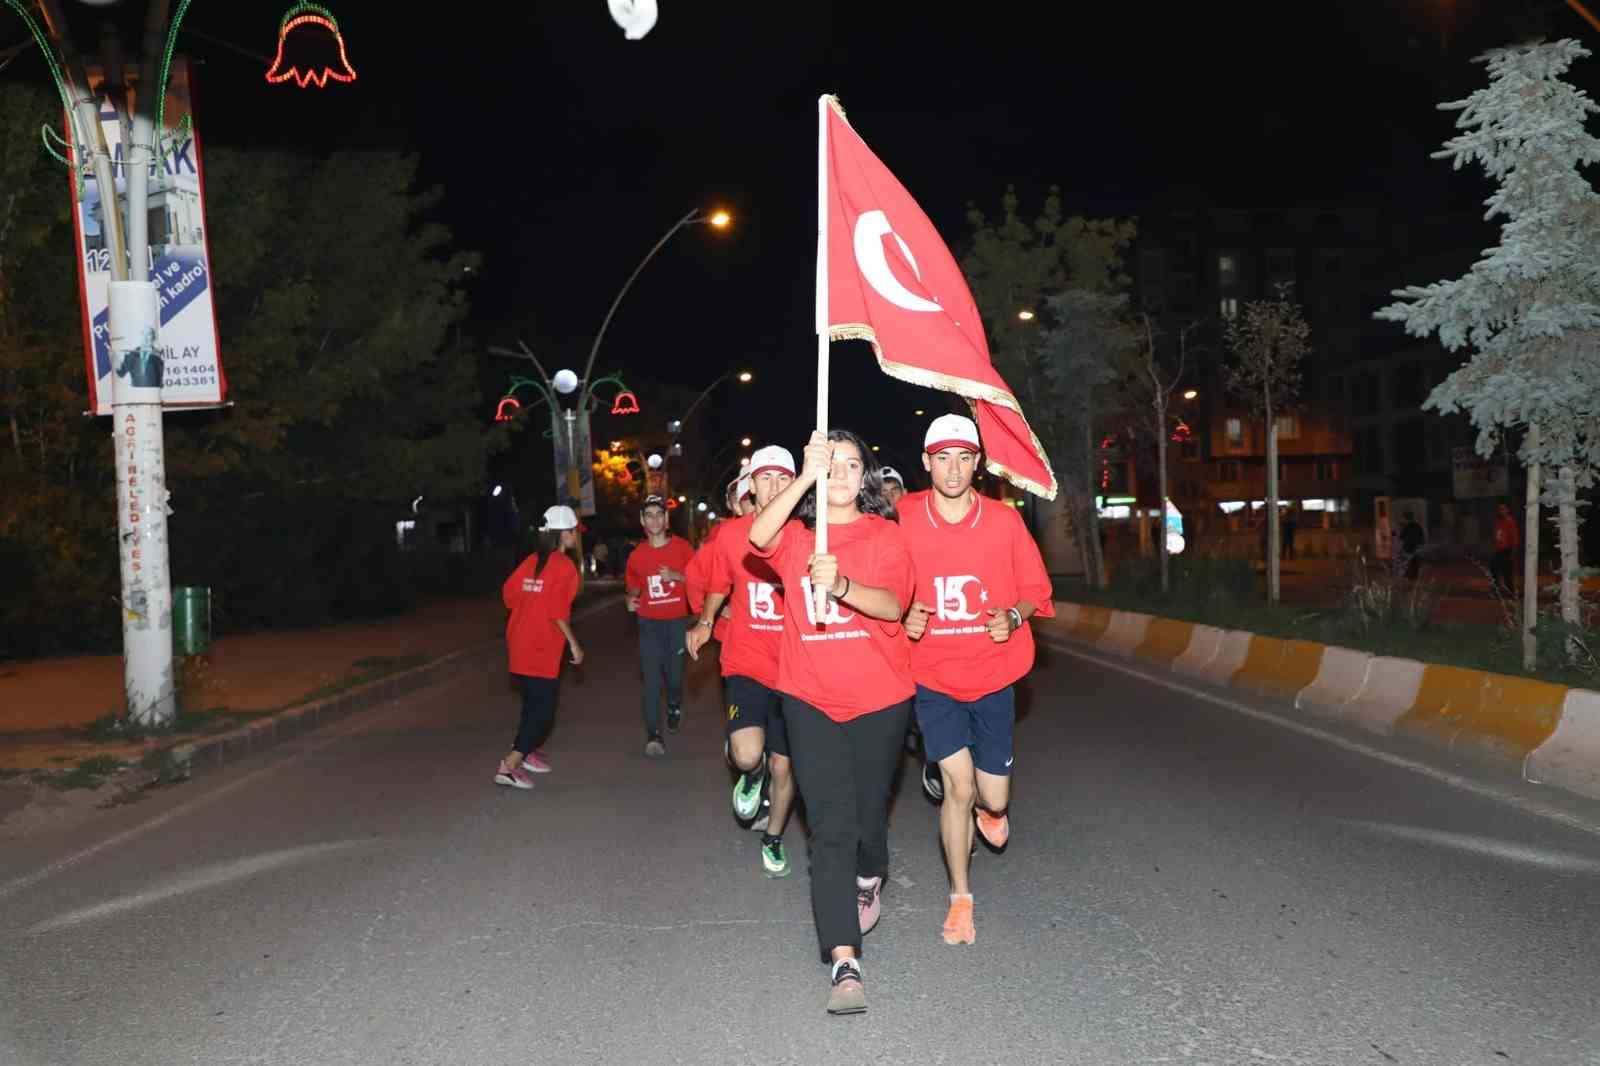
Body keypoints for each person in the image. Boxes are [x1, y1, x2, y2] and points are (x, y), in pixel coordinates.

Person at [749, 429, 915, 1016]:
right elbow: (755, 534)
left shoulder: (886, 535)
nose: (840, 471)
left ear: (866, 475)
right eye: (829, 462)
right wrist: (801, 476)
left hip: (880, 701)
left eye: (850, 463)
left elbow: (895, 605)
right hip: (809, 700)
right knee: (831, 830)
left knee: (869, 820)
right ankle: (846, 962)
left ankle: (873, 872)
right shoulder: (797, 537)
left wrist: (840, 584)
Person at [899, 414, 1053, 946]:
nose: (954, 469)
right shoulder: (902, 518)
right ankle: (960, 900)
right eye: (943, 457)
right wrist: (901, 615)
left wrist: (1012, 616)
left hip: (992, 676)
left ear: (978, 463)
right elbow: (878, 580)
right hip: (933, 675)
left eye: (965, 457)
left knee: (993, 797)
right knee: (958, 790)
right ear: (926, 462)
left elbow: (1035, 587)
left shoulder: (1004, 522)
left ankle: (994, 811)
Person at [687, 446, 800, 877]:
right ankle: (748, 775)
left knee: (784, 765)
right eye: (765, 478)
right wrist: (707, 619)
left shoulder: (807, 534)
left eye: (782, 478)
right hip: (747, 661)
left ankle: (772, 836)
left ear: (795, 484)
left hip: (794, 670)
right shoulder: (731, 535)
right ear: (751, 485)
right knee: (750, 755)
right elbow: (718, 580)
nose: (773, 487)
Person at [495, 505, 585, 789]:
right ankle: (509, 764)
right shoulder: (565, 567)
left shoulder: (530, 561)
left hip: (519, 641)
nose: (576, 536)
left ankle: (527, 750)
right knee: (543, 711)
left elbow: (508, 596)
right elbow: (557, 612)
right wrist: (574, 645)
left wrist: (531, 599)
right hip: (542, 646)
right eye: (574, 531)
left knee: (532, 702)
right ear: (564, 534)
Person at [624, 495, 695, 755]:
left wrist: (676, 576)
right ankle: (653, 735)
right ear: (643, 521)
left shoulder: (683, 548)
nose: (654, 519)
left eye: (659, 514)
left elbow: (700, 580)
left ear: (666, 519)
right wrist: (630, 600)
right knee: (652, 681)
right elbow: (633, 588)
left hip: (676, 623)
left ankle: (674, 704)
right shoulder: (636, 556)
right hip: (649, 625)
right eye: (649, 515)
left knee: (674, 679)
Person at [1492, 502, 1520, 596]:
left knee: (1507, 572)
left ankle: (1511, 591)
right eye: (1499, 509)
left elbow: (1514, 537)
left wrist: (1513, 551)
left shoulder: (1510, 521)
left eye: (1503, 509)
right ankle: (1496, 590)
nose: (1501, 511)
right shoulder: (1498, 521)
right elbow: (1496, 536)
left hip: (1506, 550)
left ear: (1507, 510)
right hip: (1498, 551)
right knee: (1494, 570)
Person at [1400, 512, 1426, 581]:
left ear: (1406, 518)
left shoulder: (1406, 526)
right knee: (1415, 562)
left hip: (1408, 548)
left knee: (1407, 562)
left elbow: (1401, 537)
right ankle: (1414, 576)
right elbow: (1422, 537)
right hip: (1416, 547)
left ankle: (1407, 576)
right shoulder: (1418, 526)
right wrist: (1421, 545)